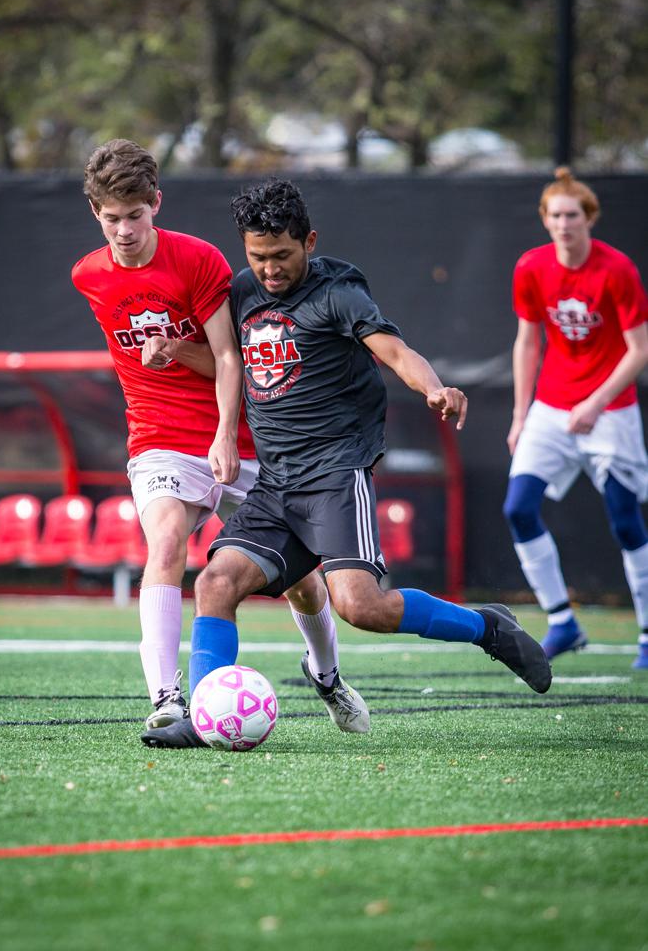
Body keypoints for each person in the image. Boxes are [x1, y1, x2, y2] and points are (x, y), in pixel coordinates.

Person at [143, 178, 551, 749]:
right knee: (214, 583)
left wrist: (434, 388)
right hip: (276, 479)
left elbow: (394, 351)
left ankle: (488, 627)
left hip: (335, 473)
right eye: (258, 257)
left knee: (362, 607)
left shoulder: (340, 290)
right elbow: (232, 365)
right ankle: (208, 714)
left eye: (282, 255)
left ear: (309, 241)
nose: (270, 269)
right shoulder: (241, 293)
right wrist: (175, 352)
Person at [73, 142, 369, 736]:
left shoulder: (199, 261)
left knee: (303, 583)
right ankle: (166, 699)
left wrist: (222, 434)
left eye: (136, 214)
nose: (125, 229)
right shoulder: (88, 276)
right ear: (95, 214)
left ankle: (328, 675)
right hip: (157, 437)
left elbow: (231, 360)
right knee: (165, 545)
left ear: (156, 204)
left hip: (236, 435)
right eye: (112, 218)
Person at [503, 167, 648, 668]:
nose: (565, 224)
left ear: (589, 219)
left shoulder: (617, 270)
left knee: (625, 520)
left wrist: (596, 403)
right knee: (518, 508)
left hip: (611, 411)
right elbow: (527, 341)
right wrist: (521, 415)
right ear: (545, 221)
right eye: (556, 215)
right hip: (551, 407)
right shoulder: (531, 267)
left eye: (573, 215)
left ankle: (647, 634)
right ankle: (563, 622)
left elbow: (638, 350)